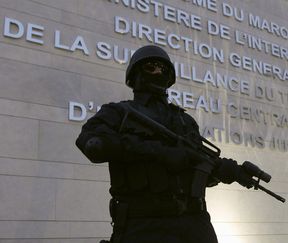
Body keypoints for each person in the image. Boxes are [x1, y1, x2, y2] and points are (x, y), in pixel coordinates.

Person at [75, 45, 243, 243]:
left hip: (195, 224)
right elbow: (92, 145)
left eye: (163, 69)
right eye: (151, 67)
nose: (158, 71)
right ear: (135, 74)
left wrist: (225, 170)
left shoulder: (184, 121)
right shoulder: (118, 112)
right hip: (145, 225)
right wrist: (158, 152)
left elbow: (196, 168)